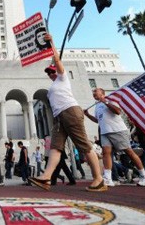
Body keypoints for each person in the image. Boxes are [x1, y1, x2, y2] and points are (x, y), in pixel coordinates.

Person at [28, 33, 105, 192]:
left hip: (70, 111)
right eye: (49, 73)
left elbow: (57, 61)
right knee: (55, 148)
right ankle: (46, 177)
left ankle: (99, 179)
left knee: (83, 145)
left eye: (52, 71)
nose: (51, 73)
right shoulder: (51, 88)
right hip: (58, 118)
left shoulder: (63, 78)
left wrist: (51, 44)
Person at [84, 88, 145, 187]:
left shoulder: (111, 100)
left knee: (129, 152)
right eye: (93, 93)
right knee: (106, 153)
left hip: (118, 130)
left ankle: (144, 176)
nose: (94, 94)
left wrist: (105, 101)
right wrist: (87, 115)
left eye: (96, 93)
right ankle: (108, 178)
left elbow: (117, 111)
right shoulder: (97, 106)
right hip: (105, 132)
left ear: (103, 94)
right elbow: (98, 120)